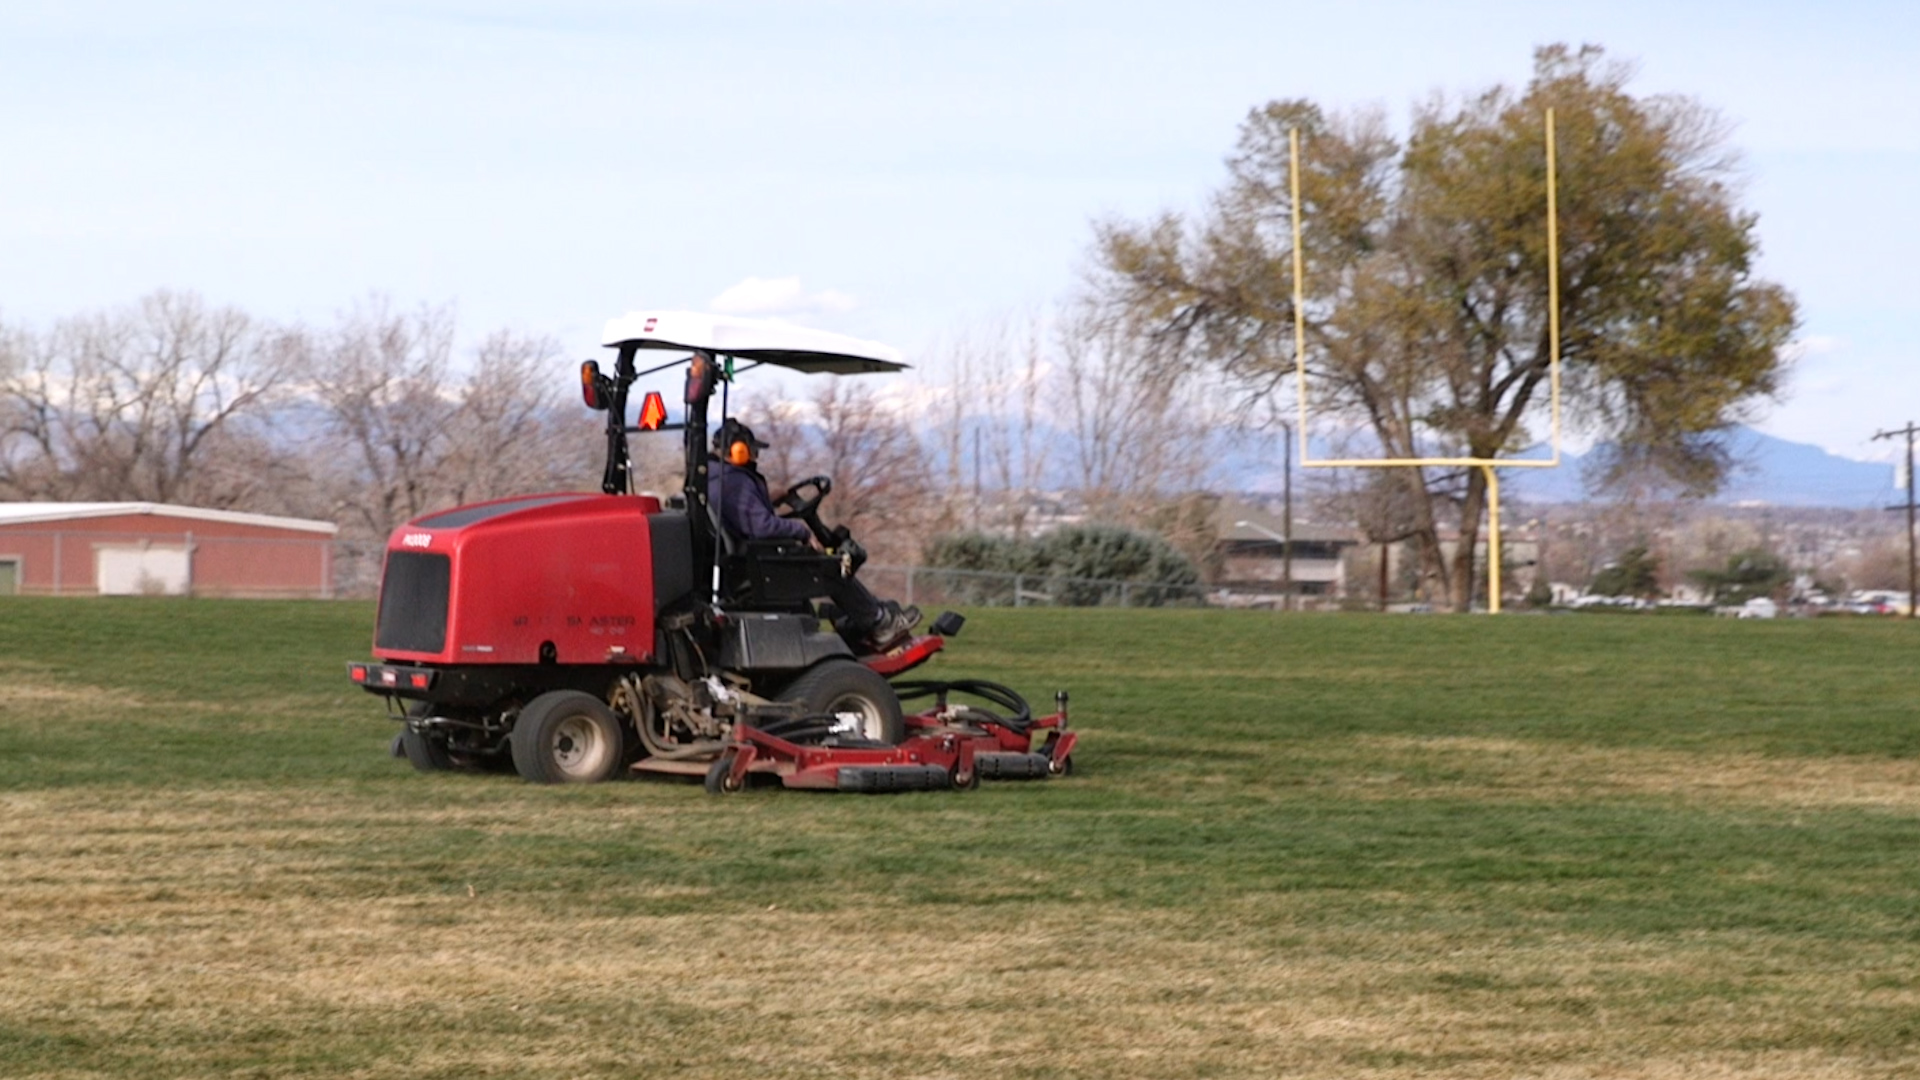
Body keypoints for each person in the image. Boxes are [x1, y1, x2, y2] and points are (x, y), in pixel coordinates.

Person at [707, 419, 920, 651]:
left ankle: (857, 619)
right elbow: (761, 527)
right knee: (831, 568)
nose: (756, 457)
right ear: (738, 451)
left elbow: (745, 513)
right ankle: (879, 624)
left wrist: (772, 500)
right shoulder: (734, 482)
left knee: (825, 564)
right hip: (755, 567)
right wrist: (801, 531)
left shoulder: (716, 478)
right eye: (753, 451)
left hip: (745, 562)